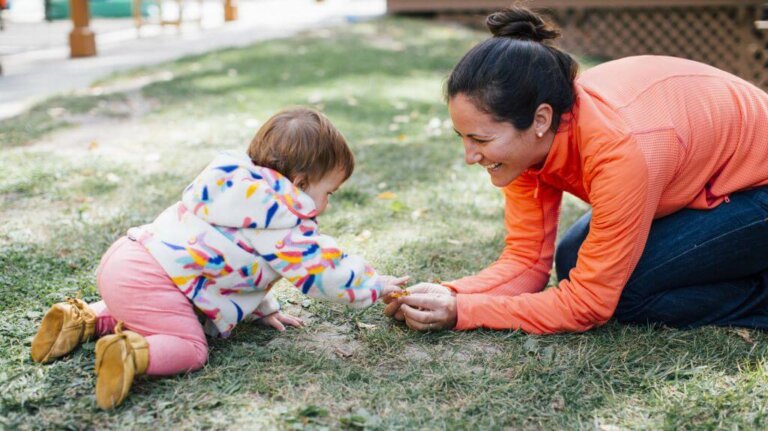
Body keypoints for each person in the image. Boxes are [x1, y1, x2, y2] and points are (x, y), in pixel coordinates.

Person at [384, 6, 768, 334]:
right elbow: (528, 262)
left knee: (628, 297)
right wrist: (450, 294)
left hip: (757, 187)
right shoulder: (529, 146)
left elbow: (590, 305)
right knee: (572, 260)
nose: (469, 155)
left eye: (480, 140)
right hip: (700, 181)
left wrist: (464, 314)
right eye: (462, 137)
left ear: (539, 120)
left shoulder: (617, 150)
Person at [30, 107, 408, 409]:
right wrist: (373, 284)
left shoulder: (233, 185)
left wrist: (265, 308)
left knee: (159, 310)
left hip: (129, 258)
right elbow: (324, 273)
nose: (326, 204)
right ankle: (131, 352)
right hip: (154, 282)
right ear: (301, 184)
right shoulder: (285, 222)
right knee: (190, 347)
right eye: (330, 192)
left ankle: (80, 319)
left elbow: (239, 265)